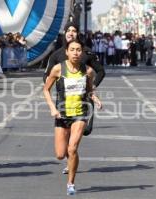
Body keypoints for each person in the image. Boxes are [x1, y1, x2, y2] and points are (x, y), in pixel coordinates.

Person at [43, 39, 102, 195]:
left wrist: (95, 98)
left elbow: (89, 89)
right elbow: (46, 90)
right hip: (62, 115)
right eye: (73, 50)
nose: (76, 53)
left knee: (73, 148)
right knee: (60, 154)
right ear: (67, 52)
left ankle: (71, 183)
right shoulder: (57, 69)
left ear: (81, 52)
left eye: (78, 50)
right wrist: (52, 108)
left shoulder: (87, 71)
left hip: (80, 114)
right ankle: (70, 158)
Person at [43, 22, 105, 136]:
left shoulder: (86, 52)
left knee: (85, 131)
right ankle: (70, 150)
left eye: (74, 31)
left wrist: (92, 87)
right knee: (65, 144)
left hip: (84, 101)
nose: (71, 33)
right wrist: (49, 84)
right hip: (64, 102)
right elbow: (46, 75)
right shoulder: (56, 55)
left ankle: (72, 148)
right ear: (64, 33)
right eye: (68, 30)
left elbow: (101, 71)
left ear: (78, 33)